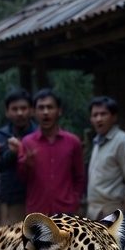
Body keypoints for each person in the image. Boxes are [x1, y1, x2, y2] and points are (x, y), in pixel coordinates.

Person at [86, 96, 125, 250]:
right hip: (97, 214)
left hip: (116, 214)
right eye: (95, 115)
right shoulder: (98, 142)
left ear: (113, 117)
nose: (99, 118)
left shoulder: (123, 142)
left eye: (103, 114)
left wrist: (124, 207)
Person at [14, 88, 85, 216]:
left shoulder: (73, 141)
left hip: (66, 212)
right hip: (37, 211)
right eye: (41, 108)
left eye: (50, 107)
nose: (45, 112)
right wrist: (26, 164)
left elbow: (79, 177)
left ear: (59, 111)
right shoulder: (27, 142)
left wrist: (74, 200)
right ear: (34, 112)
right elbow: (21, 178)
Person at [0, 89, 37, 225]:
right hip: (11, 201)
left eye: (23, 108)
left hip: (39, 200)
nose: (19, 113)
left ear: (31, 110)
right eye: (14, 109)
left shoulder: (40, 136)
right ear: (7, 112)